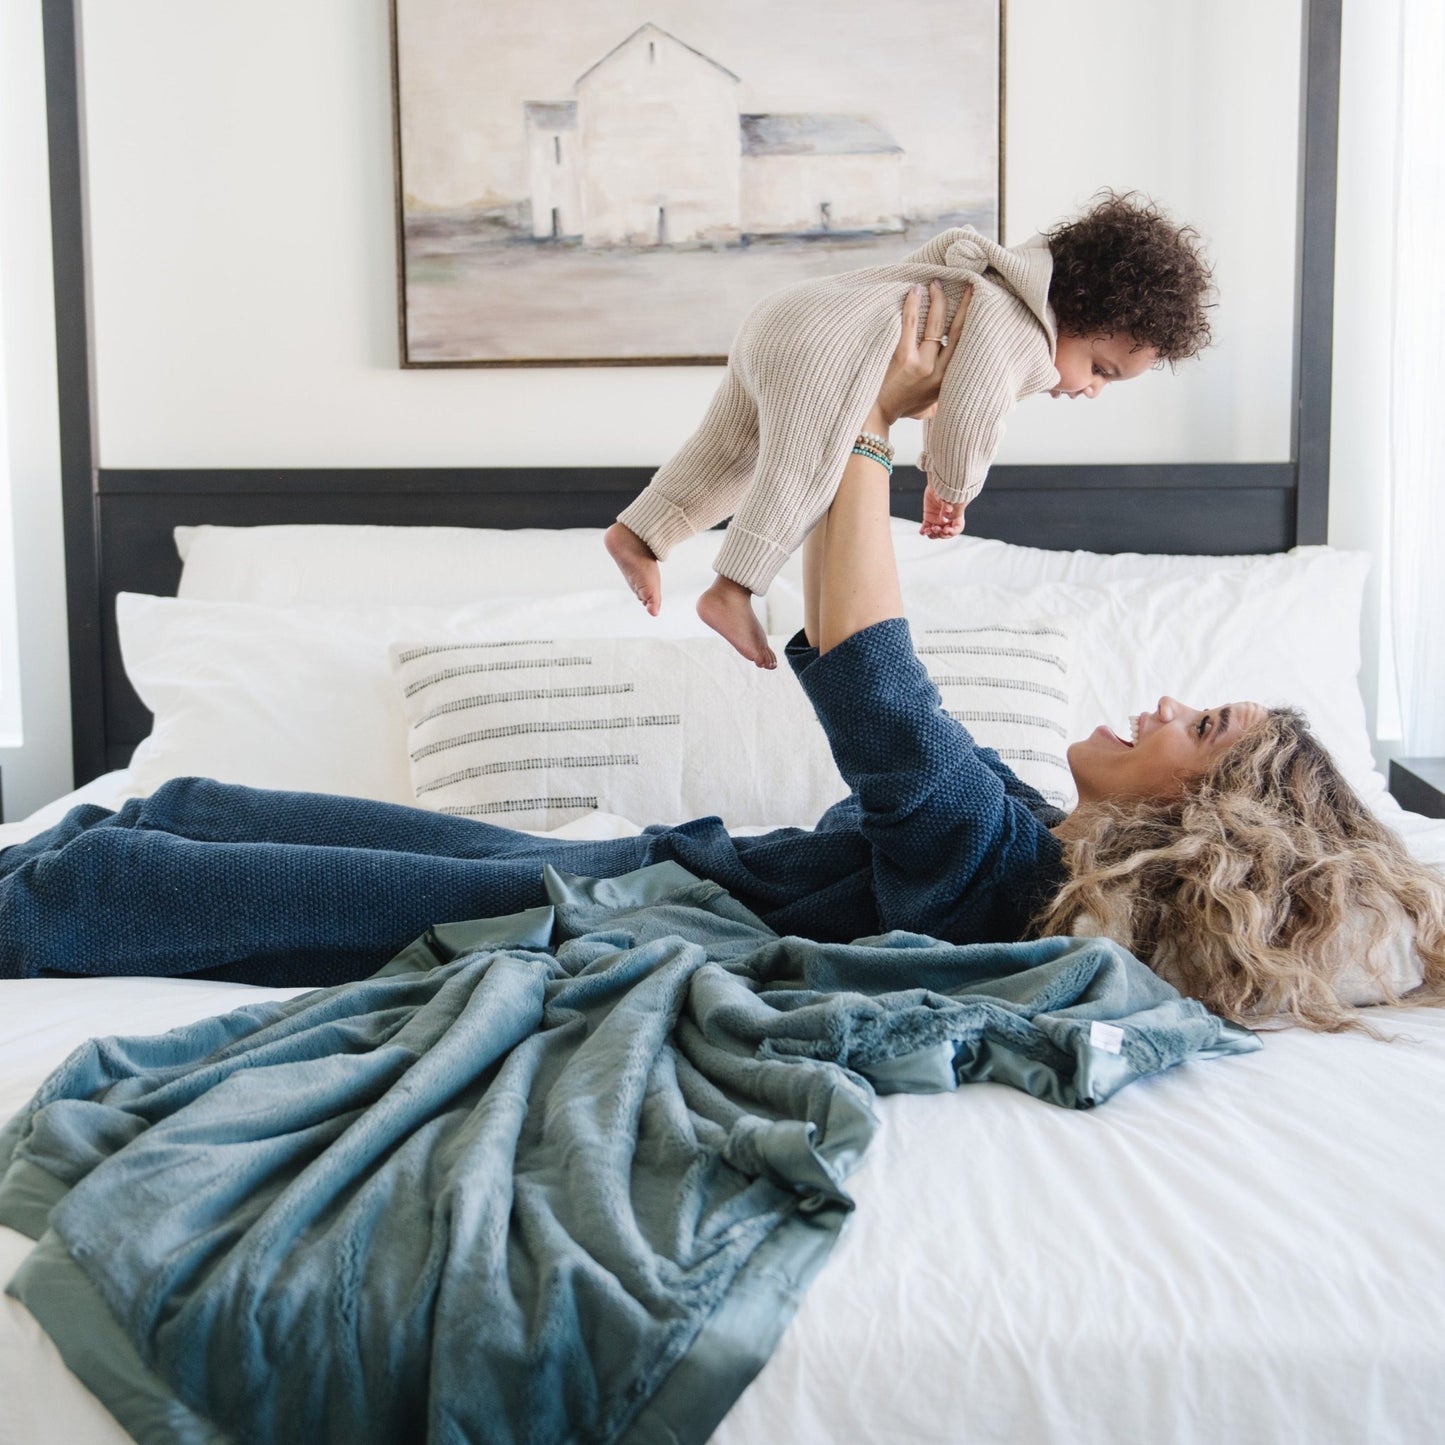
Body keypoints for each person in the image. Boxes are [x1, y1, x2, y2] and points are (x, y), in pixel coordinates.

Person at [3, 293, 1441, 1033]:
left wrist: (871, 429)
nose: (1160, 700)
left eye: (1198, 722)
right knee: (184, 811)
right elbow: (860, 639)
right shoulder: (1028, 836)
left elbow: (880, 682)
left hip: (610, 919)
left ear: (1201, 820)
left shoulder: (1004, 878)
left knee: (118, 883)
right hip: (634, 868)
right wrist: (838, 445)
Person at [605, 191, 1213, 667]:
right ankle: (733, 588)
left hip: (787, 318)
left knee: (732, 448)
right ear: (1078, 310)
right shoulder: (1022, 332)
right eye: (1099, 369)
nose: (1091, 389)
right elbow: (975, 413)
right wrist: (951, 487)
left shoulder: (984, 280)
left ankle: (641, 533)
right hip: (828, 349)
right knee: (806, 468)